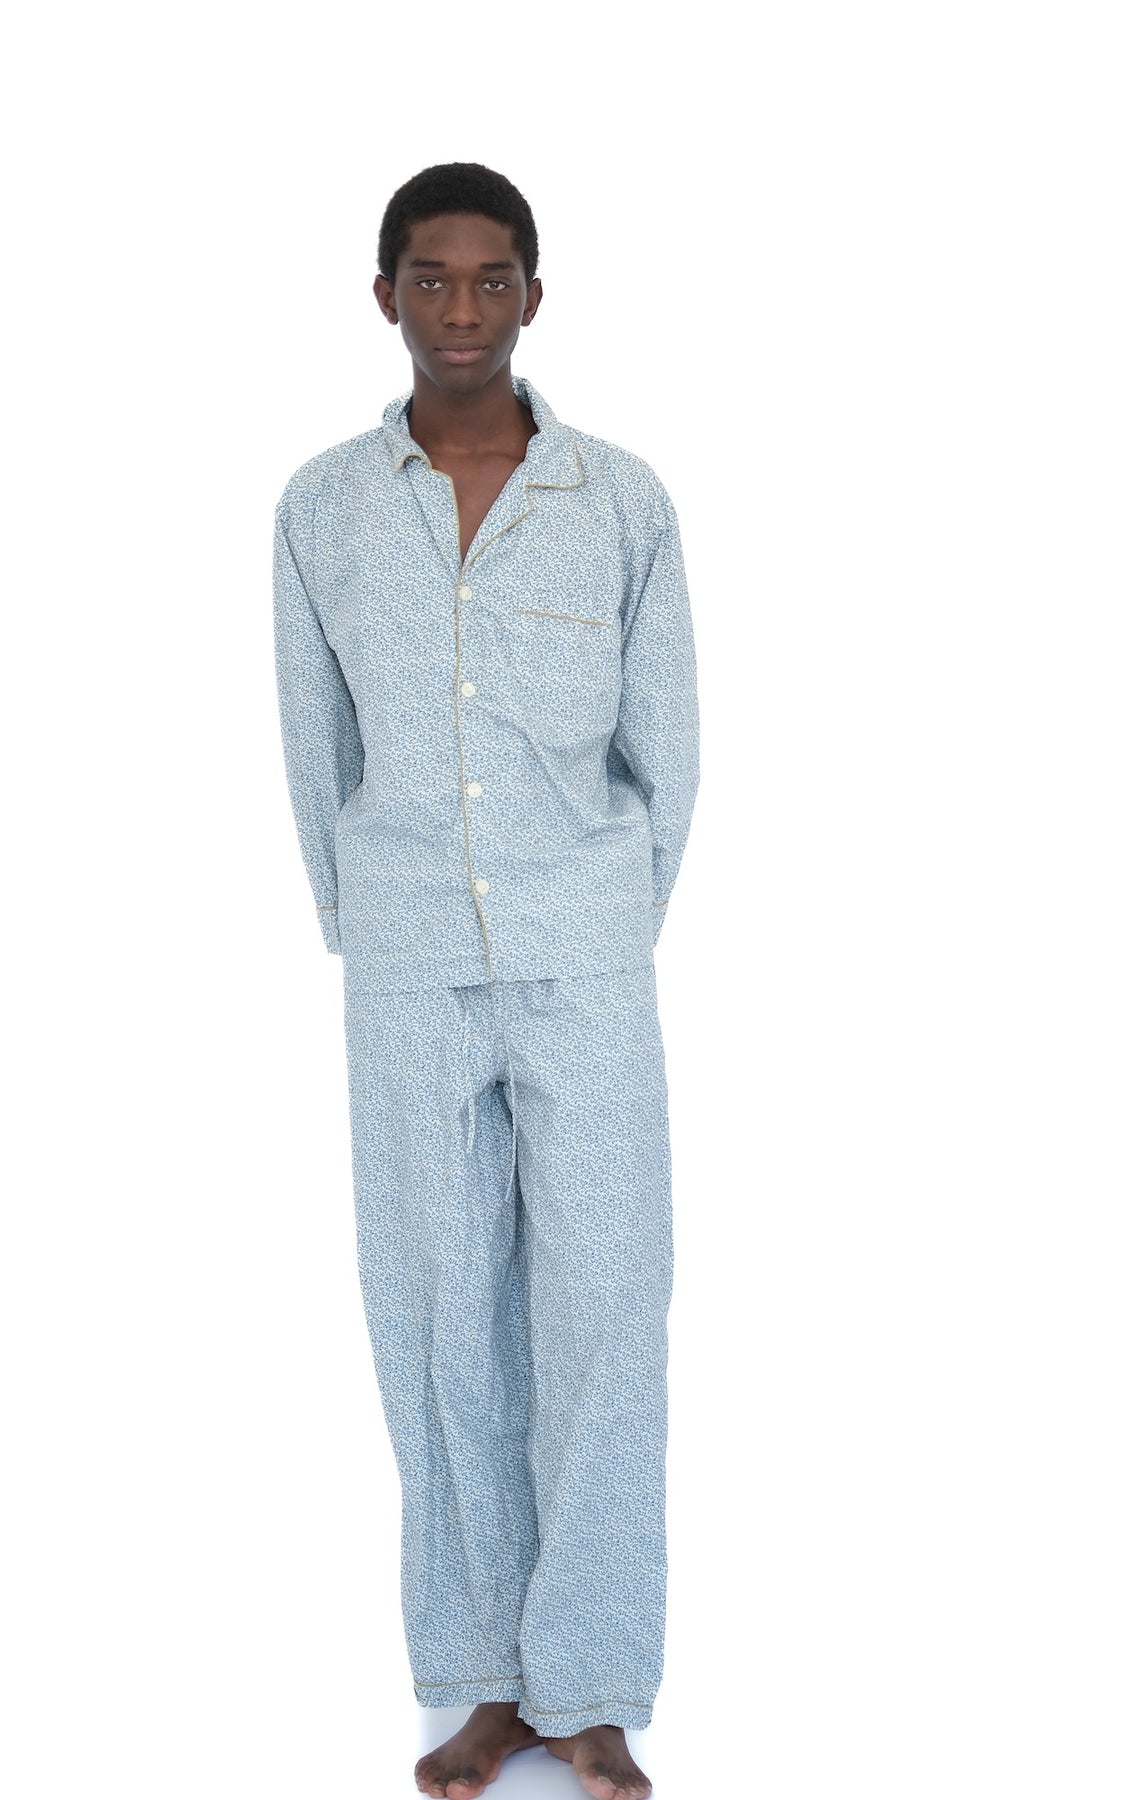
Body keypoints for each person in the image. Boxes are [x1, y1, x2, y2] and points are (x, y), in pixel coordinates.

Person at [272, 162, 700, 1800]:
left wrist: (604, 918)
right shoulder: (320, 507)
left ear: (533, 295)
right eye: (431, 279)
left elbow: (666, 750)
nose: (461, 308)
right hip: (403, 965)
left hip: (583, 959)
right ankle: (483, 1681)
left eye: (491, 278)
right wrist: (368, 922)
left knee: (604, 1313)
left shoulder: (619, 500)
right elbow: (313, 746)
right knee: (435, 1318)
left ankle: (590, 1687)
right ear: (384, 295)